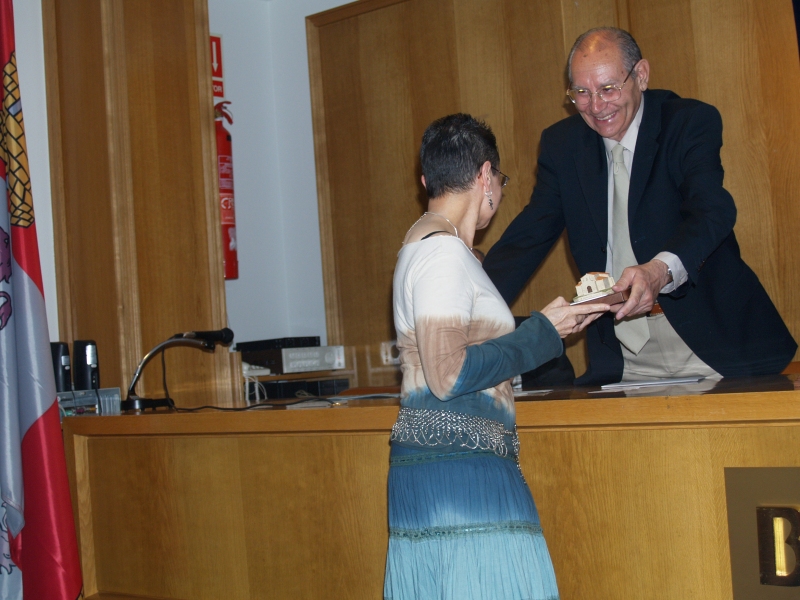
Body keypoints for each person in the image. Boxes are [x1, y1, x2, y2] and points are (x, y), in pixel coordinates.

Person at [483, 27, 797, 385]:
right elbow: (529, 235)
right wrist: (469, 308)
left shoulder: (687, 122)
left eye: (608, 89)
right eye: (581, 93)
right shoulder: (563, 145)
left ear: (641, 76)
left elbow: (712, 211)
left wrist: (659, 270)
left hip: (713, 344)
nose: (596, 106)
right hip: (622, 357)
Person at [384, 113, 608, 600]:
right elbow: (449, 374)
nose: (499, 194)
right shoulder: (442, 255)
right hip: (461, 473)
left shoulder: (432, 250)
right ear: (486, 176)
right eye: (500, 182)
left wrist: (545, 328)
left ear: (427, 180)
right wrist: (542, 334)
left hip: (451, 466)